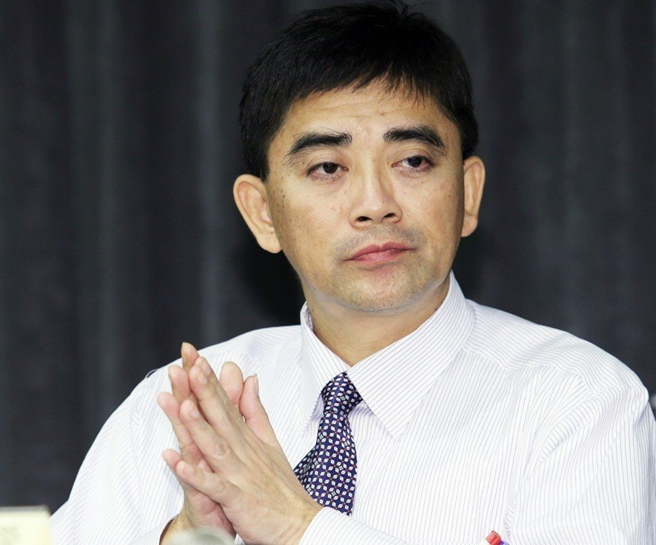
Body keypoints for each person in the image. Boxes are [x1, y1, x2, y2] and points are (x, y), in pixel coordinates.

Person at [51, 2, 656, 544]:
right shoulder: (176, 416)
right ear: (262, 213)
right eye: (327, 168)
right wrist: (191, 539)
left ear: (468, 193)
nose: (375, 203)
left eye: (412, 160)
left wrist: (296, 526)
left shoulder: (576, 400)